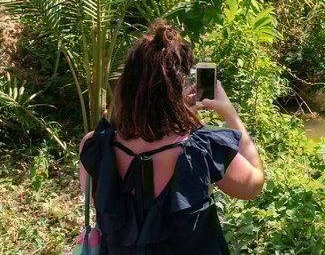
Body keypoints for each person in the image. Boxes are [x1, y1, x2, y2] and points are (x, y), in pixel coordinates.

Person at [76, 20, 265, 254]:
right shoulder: (202, 149)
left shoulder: (94, 146)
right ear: (178, 89)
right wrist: (228, 111)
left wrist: (179, 117)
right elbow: (252, 185)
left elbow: (102, 204)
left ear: (127, 85)